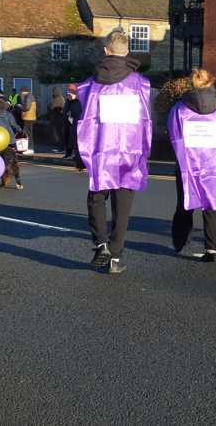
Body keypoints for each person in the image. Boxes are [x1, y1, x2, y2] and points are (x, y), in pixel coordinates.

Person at [75, 29, 152, 274]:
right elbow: (146, 121)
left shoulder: (89, 84)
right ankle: (115, 258)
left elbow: (82, 121)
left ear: (106, 50)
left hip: (100, 149)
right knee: (123, 205)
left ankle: (101, 243)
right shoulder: (142, 84)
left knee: (96, 196)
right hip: (129, 151)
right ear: (127, 51)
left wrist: (79, 156)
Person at [168, 68, 216, 262]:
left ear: (191, 84)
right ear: (211, 83)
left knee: (185, 202)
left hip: (186, 164)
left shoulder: (179, 108)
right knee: (213, 204)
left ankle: (181, 241)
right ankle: (212, 249)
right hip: (215, 164)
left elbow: (173, 135)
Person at [14, 85, 36, 154]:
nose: (21, 93)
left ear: (23, 91)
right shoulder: (29, 97)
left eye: (22, 92)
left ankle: (30, 148)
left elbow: (26, 108)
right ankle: (29, 147)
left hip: (28, 117)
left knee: (28, 133)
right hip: (29, 117)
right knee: (28, 133)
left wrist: (19, 106)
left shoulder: (28, 98)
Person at [61, 85, 81, 160]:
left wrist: (71, 113)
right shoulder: (67, 102)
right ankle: (68, 153)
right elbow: (65, 111)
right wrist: (62, 117)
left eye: (70, 94)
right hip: (67, 123)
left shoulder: (77, 102)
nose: (69, 96)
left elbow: (78, 111)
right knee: (67, 138)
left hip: (74, 124)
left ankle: (75, 155)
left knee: (74, 139)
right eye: (68, 95)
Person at [48, 86, 65, 153]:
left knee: (58, 134)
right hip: (57, 119)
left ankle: (61, 148)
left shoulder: (58, 99)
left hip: (57, 119)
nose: (52, 94)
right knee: (57, 134)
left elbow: (51, 107)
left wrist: (49, 106)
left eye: (53, 92)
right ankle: (58, 146)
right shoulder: (58, 98)